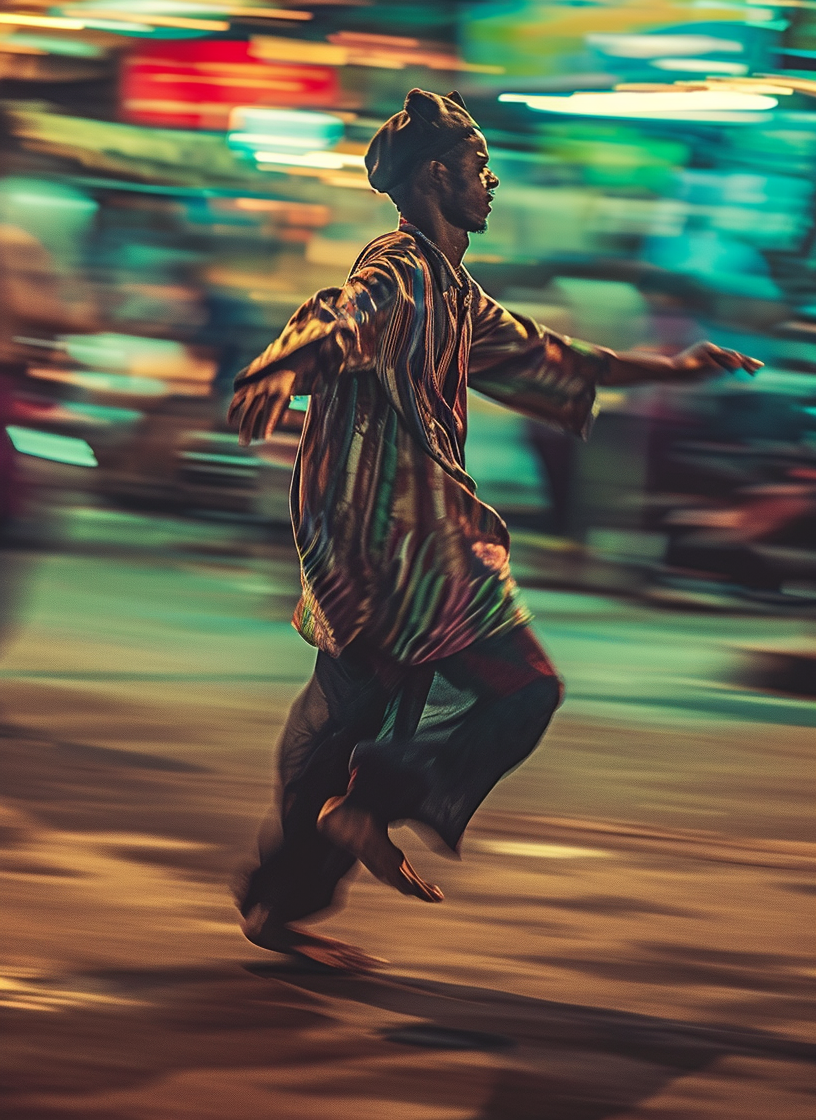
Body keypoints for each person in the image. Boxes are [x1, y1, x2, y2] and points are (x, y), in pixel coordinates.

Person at [228, 88, 761, 970]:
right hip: (407, 548)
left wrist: (675, 367)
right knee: (518, 691)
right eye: (479, 166)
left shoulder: (453, 290)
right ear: (437, 174)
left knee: (346, 717)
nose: (493, 181)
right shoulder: (399, 270)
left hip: (395, 550)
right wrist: (285, 363)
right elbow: (342, 316)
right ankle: (365, 808)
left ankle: (287, 890)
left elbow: (544, 353)